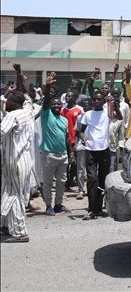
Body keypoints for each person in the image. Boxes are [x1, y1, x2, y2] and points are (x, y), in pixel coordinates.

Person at [78, 91, 121, 220]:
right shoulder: (87, 114)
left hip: (104, 150)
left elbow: (119, 117)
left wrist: (114, 104)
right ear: (92, 101)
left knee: (103, 179)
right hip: (90, 150)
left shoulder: (107, 113)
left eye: (99, 100)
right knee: (92, 179)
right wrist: (83, 137)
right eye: (95, 99)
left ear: (103, 101)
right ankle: (91, 209)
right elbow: (80, 131)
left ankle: (98, 208)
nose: (97, 101)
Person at [1, 90, 35, 242]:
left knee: (13, 195)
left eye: (7, 101)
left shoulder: (12, 115)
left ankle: (20, 232)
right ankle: (9, 225)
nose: (5, 103)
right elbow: (27, 99)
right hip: (25, 160)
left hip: (14, 161)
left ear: (13, 103)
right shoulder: (27, 112)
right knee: (14, 193)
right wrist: (20, 76)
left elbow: (1, 132)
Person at [40, 73, 71, 216]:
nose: (57, 105)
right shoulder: (46, 114)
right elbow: (46, 102)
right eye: (55, 104)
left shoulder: (64, 119)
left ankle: (58, 205)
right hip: (48, 154)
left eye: (59, 104)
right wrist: (48, 87)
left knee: (61, 182)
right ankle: (48, 206)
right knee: (47, 182)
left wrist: (70, 154)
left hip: (63, 154)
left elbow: (66, 138)